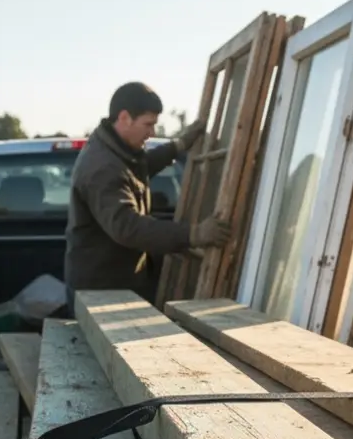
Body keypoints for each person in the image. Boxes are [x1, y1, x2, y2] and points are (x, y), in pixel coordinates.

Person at [65, 82, 232, 305]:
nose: (152, 132)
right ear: (125, 118)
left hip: (113, 286)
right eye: (148, 124)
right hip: (101, 295)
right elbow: (127, 226)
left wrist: (178, 145)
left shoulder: (115, 150)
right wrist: (194, 234)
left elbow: (140, 166)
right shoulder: (101, 167)